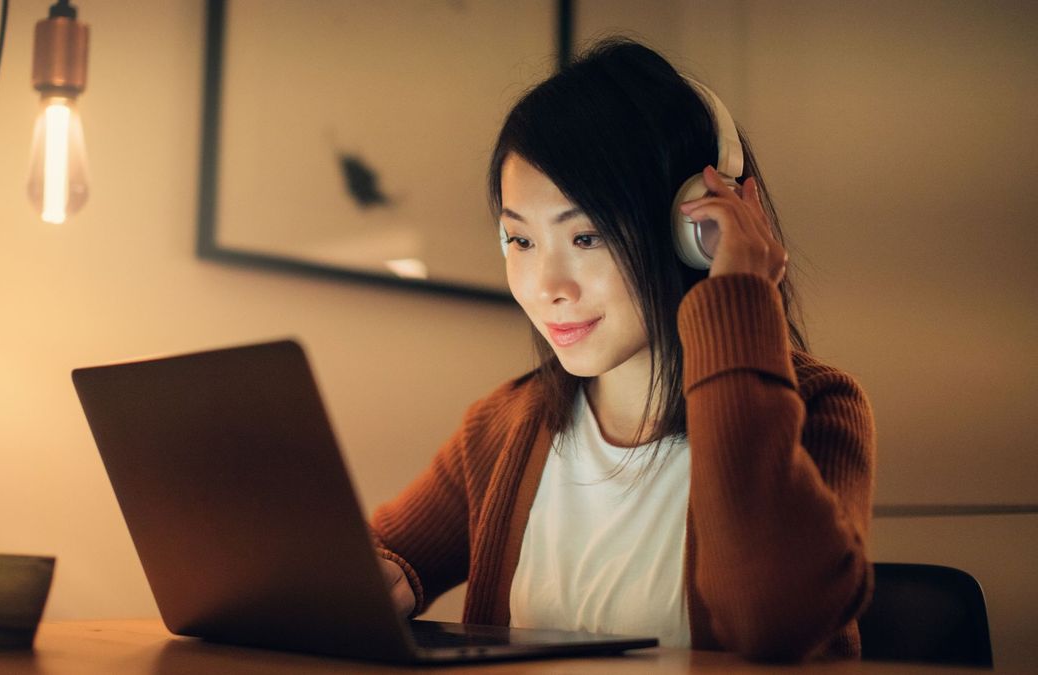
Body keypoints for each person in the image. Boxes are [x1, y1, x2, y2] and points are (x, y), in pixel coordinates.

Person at [371, 37, 875, 663]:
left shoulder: (822, 407)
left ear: (694, 227)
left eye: (586, 236)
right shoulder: (503, 428)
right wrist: (380, 575)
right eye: (520, 240)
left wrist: (742, 293)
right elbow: (376, 555)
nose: (548, 287)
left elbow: (770, 622)